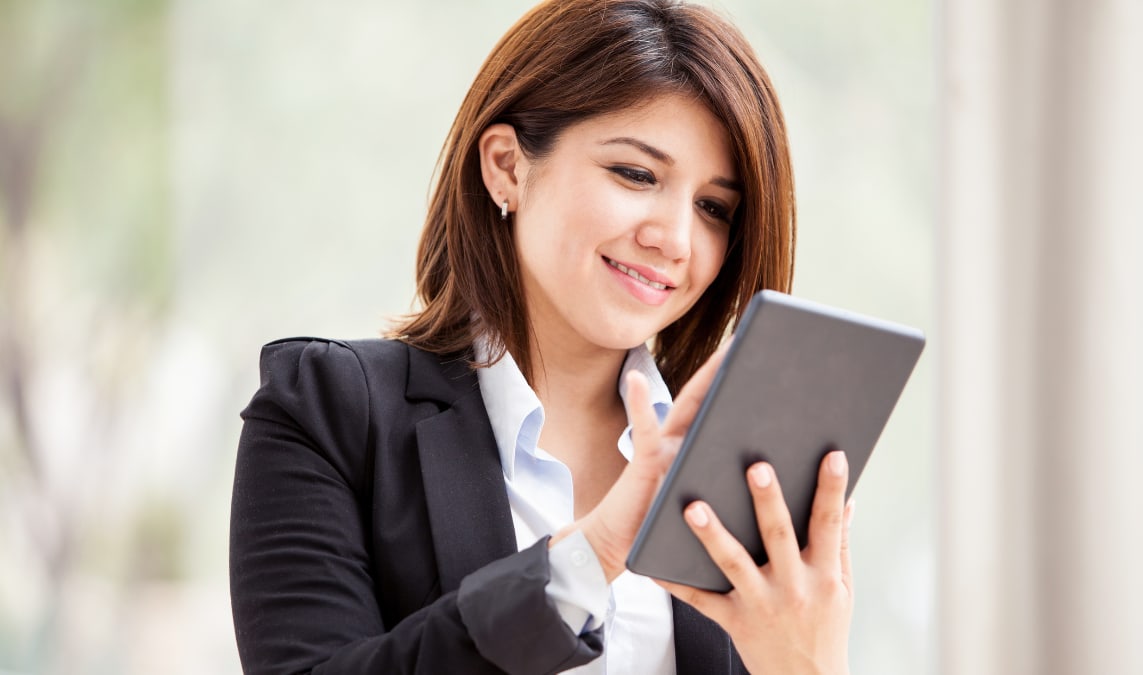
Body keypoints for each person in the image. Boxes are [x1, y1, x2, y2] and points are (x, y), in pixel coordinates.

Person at [229, 1, 856, 673]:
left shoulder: (742, 472)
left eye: (713, 208)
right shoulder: (328, 410)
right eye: (636, 174)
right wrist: (588, 560)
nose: (675, 239)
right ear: (506, 167)